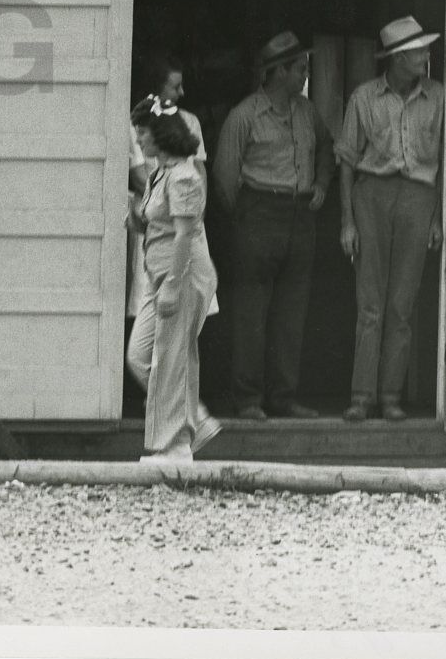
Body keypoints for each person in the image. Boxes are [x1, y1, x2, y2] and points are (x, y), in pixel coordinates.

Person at [214, 31, 334, 420]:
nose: (304, 75)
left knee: (291, 312)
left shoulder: (306, 111)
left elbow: (327, 149)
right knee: (251, 312)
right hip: (258, 214)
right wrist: (248, 214)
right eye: (299, 68)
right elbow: (224, 177)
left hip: (300, 217)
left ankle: (284, 397)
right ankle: (247, 399)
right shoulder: (244, 115)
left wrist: (320, 184)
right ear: (278, 71)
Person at [336, 16, 445, 422]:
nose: (425, 56)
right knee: (370, 304)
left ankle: (391, 398)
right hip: (372, 197)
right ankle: (361, 397)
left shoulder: (438, 96)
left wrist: (436, 216)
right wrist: (347, 222)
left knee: (402, 304)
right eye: (418, 51)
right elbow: (347, 161)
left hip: (418, 198)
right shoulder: (363, 97)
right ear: (398, 58)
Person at [132, 96, 221, 463]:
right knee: (141, 355)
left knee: (171, 358)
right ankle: (192, 424)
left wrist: (171, 285)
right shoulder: (161, 173)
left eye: (142, 132)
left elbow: (186, 235)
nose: (138, 140)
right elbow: (162, 221)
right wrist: (138, 222)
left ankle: (176, 445)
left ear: (160, 134)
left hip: (180, 276)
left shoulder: (184, 175)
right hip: (161, 277)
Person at [125, 53, 209, 404]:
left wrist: (184, 210)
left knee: (174, 345)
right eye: (174, 86)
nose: (181, 92)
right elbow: (138, 172)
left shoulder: (187, 126)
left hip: (178, 249)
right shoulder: (140, 124)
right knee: (150, 350)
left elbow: (197, 176)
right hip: (155, 245)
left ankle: (184, 419)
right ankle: (177, 415)